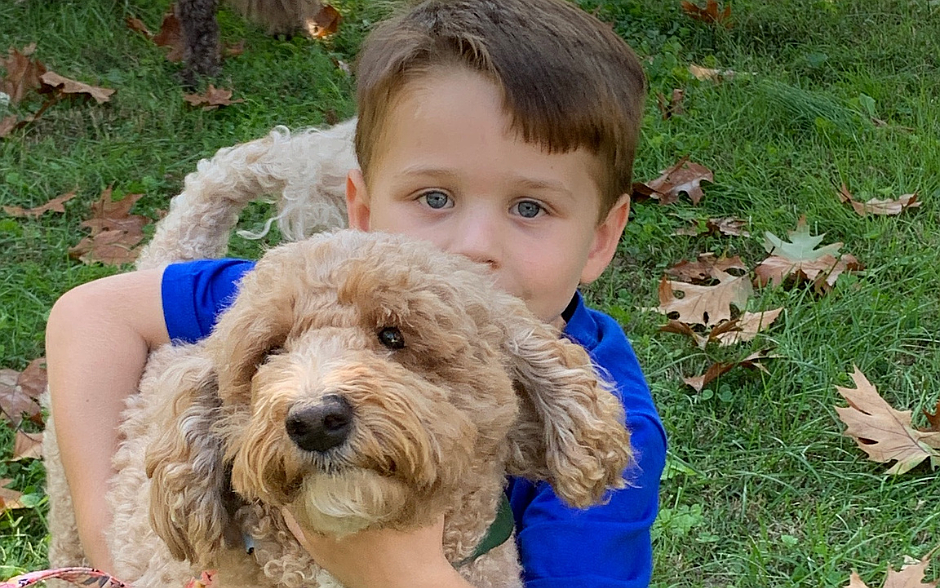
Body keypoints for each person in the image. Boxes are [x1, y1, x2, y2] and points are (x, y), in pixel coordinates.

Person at [45, 0, 667, 586]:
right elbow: (89, 313)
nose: (474, 245)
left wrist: (401, 573)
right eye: (434, 198)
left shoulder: (605, 420)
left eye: (529, 207)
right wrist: (102, 551)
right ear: (363, 211)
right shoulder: (286, 300)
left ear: (599, 239)